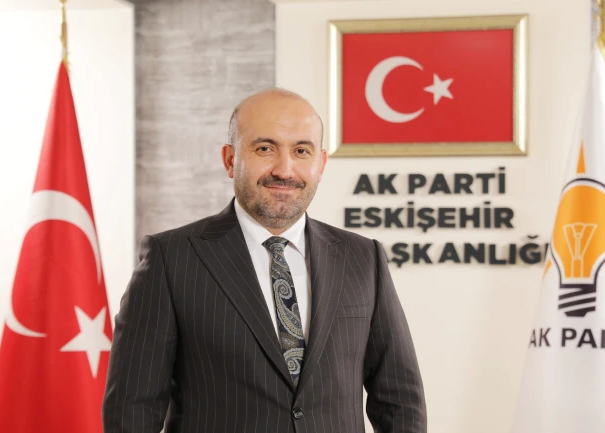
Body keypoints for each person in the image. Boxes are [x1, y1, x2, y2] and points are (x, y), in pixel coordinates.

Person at [102, 88, 426, 433]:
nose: (284, 170)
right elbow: (131, 411)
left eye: (301, 151)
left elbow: (399, 401)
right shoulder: (171, 259)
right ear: (230, 160)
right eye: (265, 148)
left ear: (320, 164)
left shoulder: (363, 257)